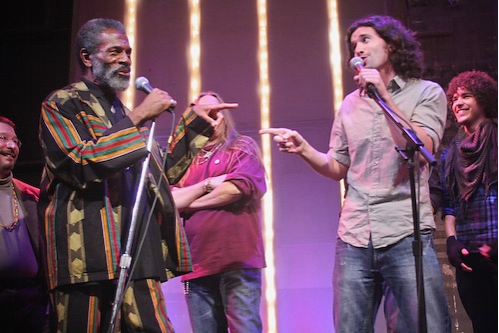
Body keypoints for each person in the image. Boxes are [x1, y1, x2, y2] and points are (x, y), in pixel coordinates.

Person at [38, 18, 237, 333]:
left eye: (128, 52)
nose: (126, 60)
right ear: (87, 57)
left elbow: (159, 176)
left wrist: (196, 126)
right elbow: (79, 164)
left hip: (134, 249)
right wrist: (141, 115)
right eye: (115, 51)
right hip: (87, 252)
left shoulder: (119, 111)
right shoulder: (62, 103)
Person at [260, 15, 451, 332]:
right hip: (354, 235)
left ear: (391, 44)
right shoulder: (349, 105)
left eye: (365, 39)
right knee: (350, 327)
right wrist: (304, 148)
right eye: (353, 45)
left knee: (425, 326)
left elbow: (421, 148)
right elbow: (337, 168)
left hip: (405, 229)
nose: (357, 49)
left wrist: (384, 97)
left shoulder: (426, 93)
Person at [170, 91, 267, 333]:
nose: (210, 117)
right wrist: (208, 184)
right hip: (197, 265)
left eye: (214, 111)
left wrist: (190, 203)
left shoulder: (241, 147)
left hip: (238, 261)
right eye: (202, 113)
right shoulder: (185, 160)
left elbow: (235, 190)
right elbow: (170, 199)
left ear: (224, 116)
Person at [441, 70, 497, 333]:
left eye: (466, 96)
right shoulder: (451, 153)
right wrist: (452, 241)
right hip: (471, 259)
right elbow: (450, 201)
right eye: (454, 98)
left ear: (483, 100)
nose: (458, 102)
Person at [0, 116, 49, 332]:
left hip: (29, 303)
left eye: (15, 142)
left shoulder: (32, 196)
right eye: (3, 138)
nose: (11, 146)